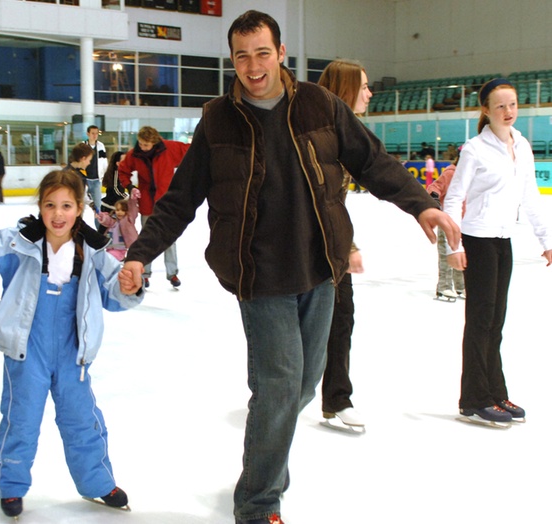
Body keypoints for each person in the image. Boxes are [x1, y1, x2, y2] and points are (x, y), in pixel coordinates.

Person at [117, 11, 460, 524]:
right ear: (231, 61)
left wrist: (420, 203)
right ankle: (258, 504)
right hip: (259, 275)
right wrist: (141, 253)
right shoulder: (218, 119)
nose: (252, 66)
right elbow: (180, 198)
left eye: (261, 52)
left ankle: (264, 469)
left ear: (280, 53)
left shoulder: (320, 106)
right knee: (278, 387)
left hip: (319, 268)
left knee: (303, 385)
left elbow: (372, 160)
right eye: (241, 56)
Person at [0, 169, 142, 519]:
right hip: (28, 349)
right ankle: (11, 486)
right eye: (50, 204)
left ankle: (98, 483)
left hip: (73, 352)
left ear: (80, 207)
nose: (58, 214)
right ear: (39, 206)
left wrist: (130, 286)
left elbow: (114, 293)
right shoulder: (20, 242)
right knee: (20, 418)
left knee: (82, 419)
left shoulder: (93, 250)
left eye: (67, 205)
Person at [444, 78, 552, 426]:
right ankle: (474, 398)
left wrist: (546, 241)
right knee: (480, 321)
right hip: (477, 240)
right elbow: (454, 198)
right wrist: (454, 246)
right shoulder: (474, 149)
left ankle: (495, 391)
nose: (508, 112)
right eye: (501, 105)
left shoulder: (521, 145)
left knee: (496, 321)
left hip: (503, 241)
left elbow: (531, 198)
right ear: (486, 110)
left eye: (513, 104)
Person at [316, 58, 373, 432]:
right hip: (309, 245)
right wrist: (348, 244)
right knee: (303, 327)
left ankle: (336, 400)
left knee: (341, 319)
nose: (369, 93)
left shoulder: (349, 133)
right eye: (364, 86)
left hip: (333, 245)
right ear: (346, 90)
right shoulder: (320, 137)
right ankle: (277, 391)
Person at [117, 126, 189, 289]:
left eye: (146, 145)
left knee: (169, 238)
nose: (142, 147)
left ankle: (172, 273)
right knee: (147, 238)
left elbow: (192, 152)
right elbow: (123, 170)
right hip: (147, 203)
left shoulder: (170, 148)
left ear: (154, 142)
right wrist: (130, 187)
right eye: (141, 143)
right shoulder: (134, 154)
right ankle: (144, 273)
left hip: (167, 203)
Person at [427, 151, 465, 301]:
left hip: (463, 223)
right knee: (446, 255)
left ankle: (460, 286)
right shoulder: (451, 173)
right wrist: (435, 199)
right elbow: (434, 187)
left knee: (461, 254)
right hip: (448, 221)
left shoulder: (469, 174)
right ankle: (444, 287)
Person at [97, 187, 140, 261]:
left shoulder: (128, 220)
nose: (119, 212)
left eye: (122, 210)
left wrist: (133, 199)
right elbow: (107, 221)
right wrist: (102, 217)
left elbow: (133, 208)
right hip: (110, 248)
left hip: (121, 249)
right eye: (117, 210)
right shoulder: (113, 220)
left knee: (110, 259)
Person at [83, 125, 108, 225]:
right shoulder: (83, 146)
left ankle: (99, 231)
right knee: (79, 206)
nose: (95, 135)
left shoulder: (101, 146)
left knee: (98, 208)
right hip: (84, 181)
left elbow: (104, 162)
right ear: (88, 134)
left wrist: (106, 176)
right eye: (93, 133)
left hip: (97, 180)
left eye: (96, 133)